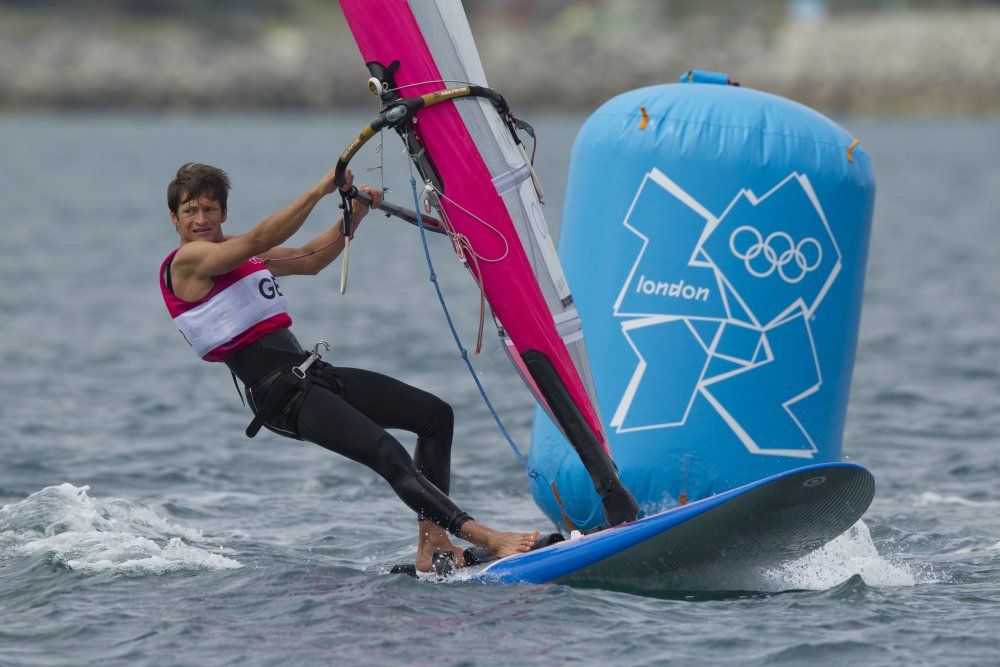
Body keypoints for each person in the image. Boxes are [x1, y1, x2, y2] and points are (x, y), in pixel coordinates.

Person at [159, 162, 538, 572]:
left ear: (223, 213)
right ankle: (486, 536)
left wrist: (354, 215)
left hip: (309, 374)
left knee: (434, 416)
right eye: (190, 211)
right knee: (387, 452)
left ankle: (433, 546)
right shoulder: (187, 262)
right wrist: (320, 189)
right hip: (280, 396)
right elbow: (259, 238)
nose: (201, 219)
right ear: (175, 218)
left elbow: (309, 259)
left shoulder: (237, 254)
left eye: (210, 209)